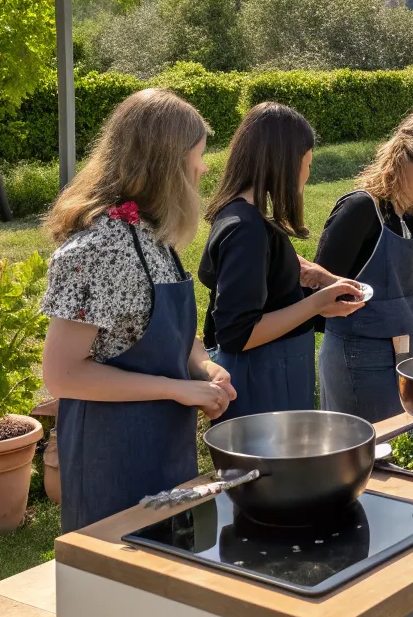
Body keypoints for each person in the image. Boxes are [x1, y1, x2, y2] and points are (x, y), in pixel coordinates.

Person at [41, 89, 237, 535]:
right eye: (198, 156)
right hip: (111, 459)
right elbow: (62, 375)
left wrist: (205, 367)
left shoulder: (154, 236)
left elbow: (172, 333)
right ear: (166, 164)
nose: (203, 169)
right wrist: (175, 389)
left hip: (166, 448)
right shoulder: (97, 249)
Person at [198, 103, 365, 422]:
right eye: (307, 163)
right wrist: (316, 304)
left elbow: (266, 282)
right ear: (285, 162)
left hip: (275, 375)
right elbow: (238, 333)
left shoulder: (245, 216)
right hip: (261, 385)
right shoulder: (245, 229)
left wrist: (314, 283)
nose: (308, 172)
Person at [316, 111, 413, 422]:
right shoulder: (360, 210)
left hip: (409, 356)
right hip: (360, 359)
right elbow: (314, 289)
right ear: (400, 159)